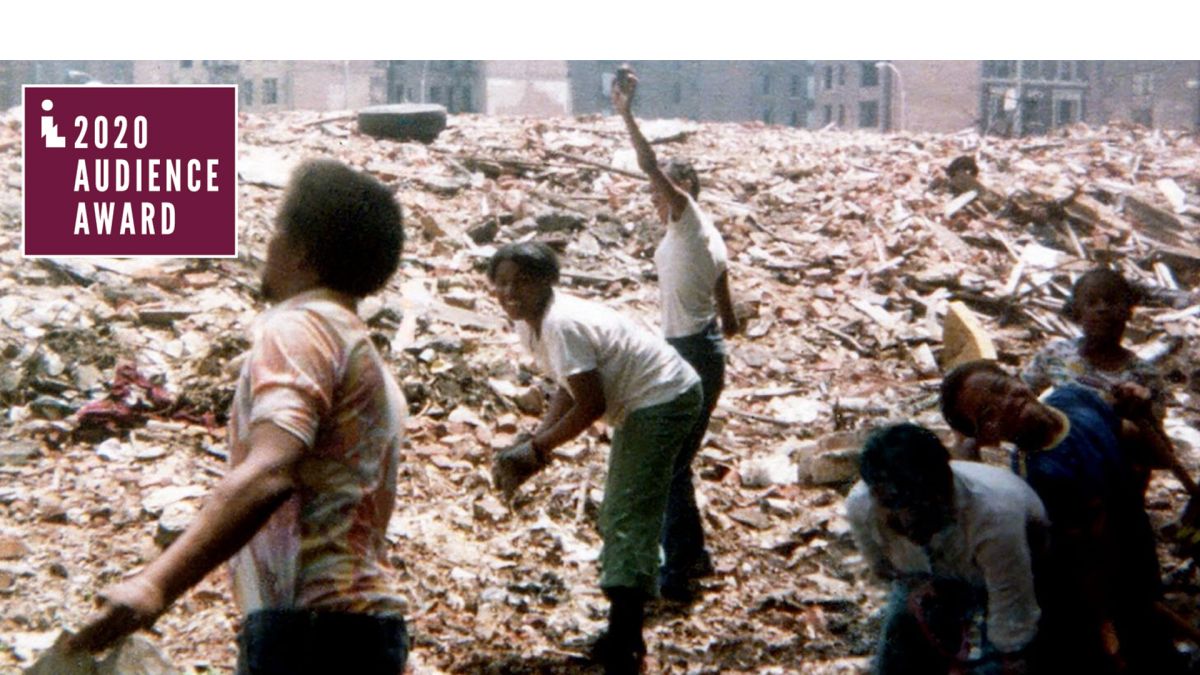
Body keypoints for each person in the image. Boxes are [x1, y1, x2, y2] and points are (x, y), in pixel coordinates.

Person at [66, 160, 410, 675]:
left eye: (276, 229)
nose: (266, 245)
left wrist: (154, 582)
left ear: (303, 251)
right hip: (360, 627)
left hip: (311, 632)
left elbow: (271, 472)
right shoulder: (369, 362)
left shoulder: (300, 327)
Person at [487, 241, 701, 673]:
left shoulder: (561, 323)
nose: (510, 293)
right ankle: (665, 585)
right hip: (653, 396)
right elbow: (567, 386)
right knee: (629, 505)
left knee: (627, 513)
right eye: (501, 283)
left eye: (521, 283)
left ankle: (626, 639)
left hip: (662, 397)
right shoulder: (532, 324)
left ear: (546, 282)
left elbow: (590, 404)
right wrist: (538, 438)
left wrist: (538, 448)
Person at [940, 360, 1185, 674]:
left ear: (1019, 380)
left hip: (1138, 546)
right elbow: (1087, 564)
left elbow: (1151, 453)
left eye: (1002, 388)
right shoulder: (1041, 478)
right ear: (988, 436)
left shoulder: (1074, 400)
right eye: (988, 413)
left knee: (1155, 643)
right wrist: (1106, 626)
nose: (1006, 404)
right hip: (1113, 581)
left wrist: (1142, 410)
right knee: (1139, 647)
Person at [611, 65, 740, 602]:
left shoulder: (687, 216)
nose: (653, 194)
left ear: (681, 190)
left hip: (691, 354)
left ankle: (682, 570)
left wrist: (626, 114)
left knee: (667, 465)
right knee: (675, 462)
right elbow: (730, 314)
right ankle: (694, 558)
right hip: (699, 350)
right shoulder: (705, 236)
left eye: (663, 188)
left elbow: (648, 165)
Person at [846, 423, 1048, 675]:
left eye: (916, 504)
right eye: (892, 504)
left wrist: (1010, 656)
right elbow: (888, 572)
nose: (906, 519)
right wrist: (917, 592)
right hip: (933, 574)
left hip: (1020, 569)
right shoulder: (861, 506)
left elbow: (1013, 616)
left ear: (943, 489)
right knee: (898, 642)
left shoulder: (994, 514)